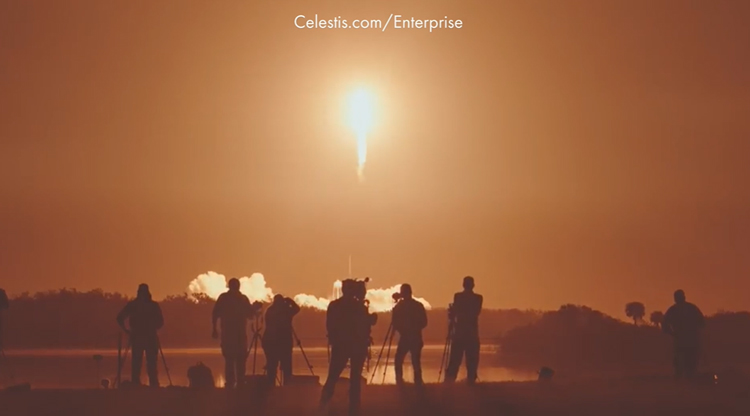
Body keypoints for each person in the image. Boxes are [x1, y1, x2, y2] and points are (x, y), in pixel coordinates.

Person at [320, 279, 377, 415]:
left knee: (333, 376)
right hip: (357, 345)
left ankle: (322, 405)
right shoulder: (359, 307)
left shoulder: (334, 305)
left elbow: (330, 325)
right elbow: (366, 324)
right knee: (355, 378)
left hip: (341, 346)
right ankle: (354, 409)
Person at [212, 278, 262, 388]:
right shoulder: (239, 299)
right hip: (234, 333)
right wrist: (254, 309)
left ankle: (235, 382)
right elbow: (249, 314)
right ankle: (237, 381)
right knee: (236, 358)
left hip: (232, 333)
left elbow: (215, 314)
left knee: (235, 358)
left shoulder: (226, 298)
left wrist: (214, 329)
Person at [116, 283, 164, 387]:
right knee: (138, 363)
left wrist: (152, 328)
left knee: (149, 363)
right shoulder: (137, 305)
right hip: (140, 337)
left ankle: (152, 384)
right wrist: (127, 330)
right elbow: (120, 318)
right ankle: (138, 384)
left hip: (147, 337)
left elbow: (160, 322)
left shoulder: (149, 305)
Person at [444, 276, 483, 385]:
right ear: (473, 285)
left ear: (463, 285)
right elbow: (475, 312)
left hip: (461, 332)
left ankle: (450, 381)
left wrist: (452, 315)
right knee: (471, 360)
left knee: (456, 360)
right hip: (471, 333)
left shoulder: (458, 297)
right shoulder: (478, 298)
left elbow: (456, 311)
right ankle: (470, 380)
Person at [662, 289, 705, 379]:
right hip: (687, 339)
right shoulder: (691, 308)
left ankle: (685, 380)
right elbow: (702, 323)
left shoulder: (674, 310)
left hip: (684, 340)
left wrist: (672, 333)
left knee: (684, 363)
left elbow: (664, 325)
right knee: (685, 363)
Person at [392, 283, 428, 386]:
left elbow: (395, 322)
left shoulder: (400, 306)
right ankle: (418, 382)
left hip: (407, 337)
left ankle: (399, 380)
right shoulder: (418, 305)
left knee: (399, 359)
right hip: (416, 337)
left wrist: (402, 330)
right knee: (415, 360)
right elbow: (424, 322)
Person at [263, 294, 301, 385]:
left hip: (271, 342)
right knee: (286, 367)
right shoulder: (286, 311)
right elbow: (297, 309)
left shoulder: (270, 311)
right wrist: (290, 301)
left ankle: (271, 386)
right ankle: (286, 387)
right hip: (284, 343)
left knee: (271, 366)